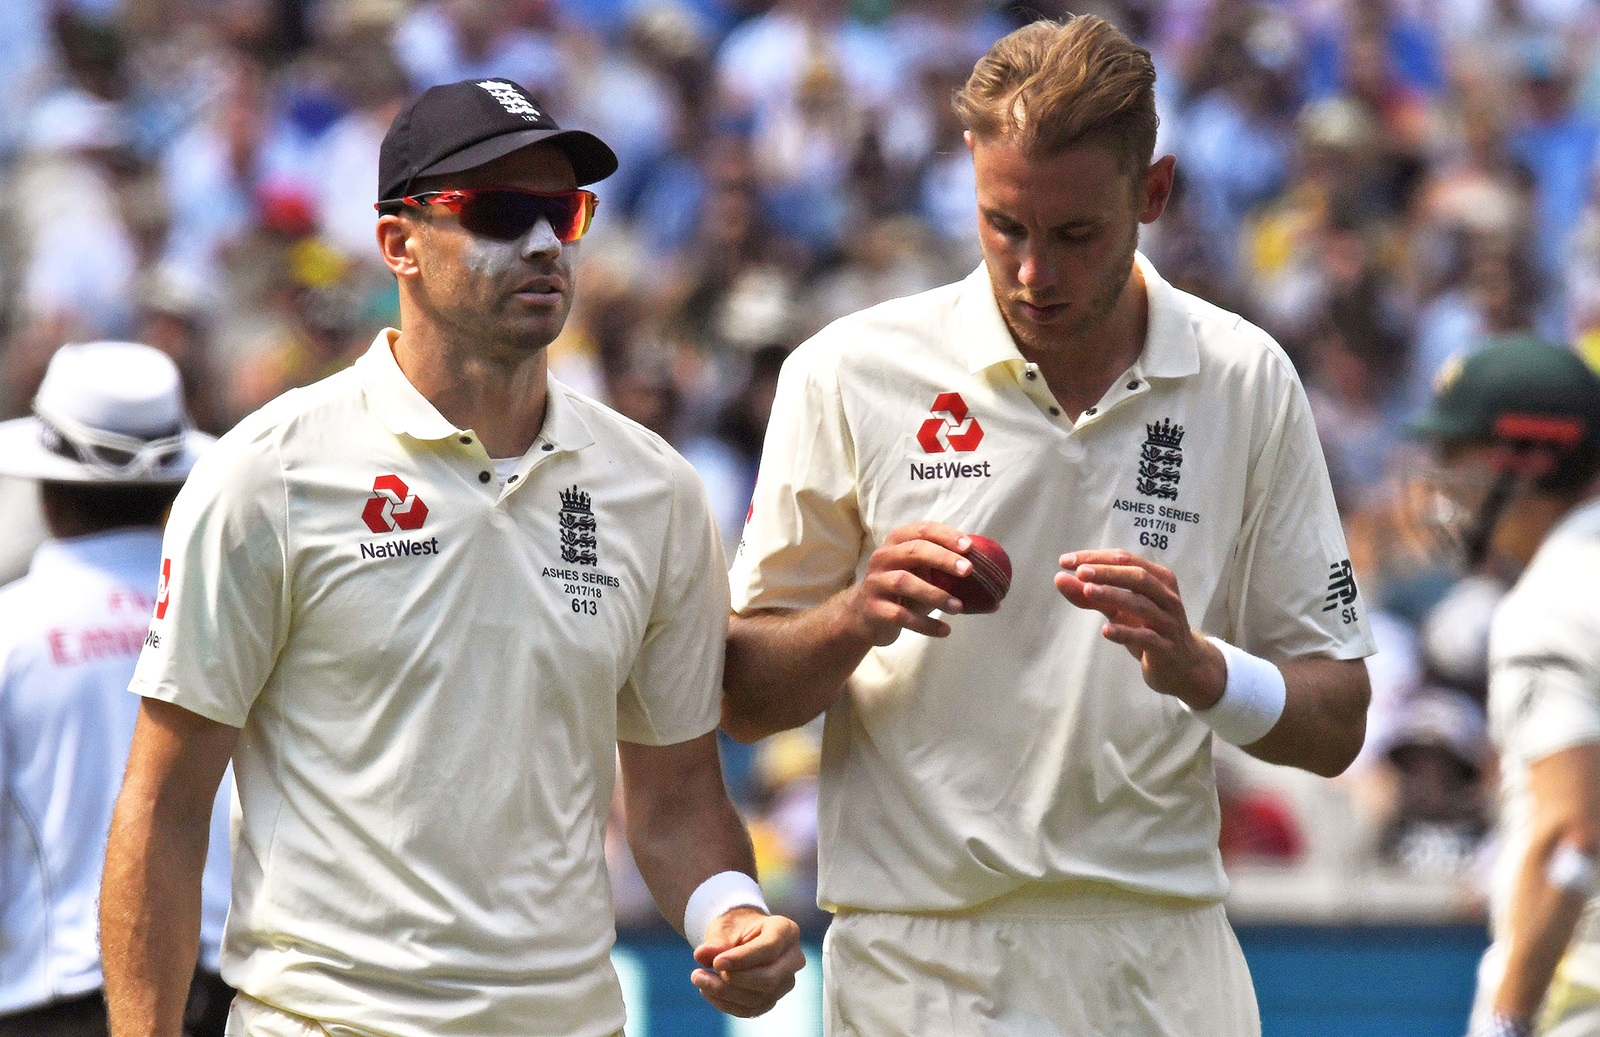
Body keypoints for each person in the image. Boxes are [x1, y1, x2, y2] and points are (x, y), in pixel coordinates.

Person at [100, 78, 804, 1037]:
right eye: (499, 214)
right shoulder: (268, 474)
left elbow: (677, 797)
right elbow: (163, 808)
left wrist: (730, 913)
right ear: (399, 244)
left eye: (562, 213)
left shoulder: (656, 488)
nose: (544, 244)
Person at [722, 16, 1375, 1035]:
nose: (1033, 272)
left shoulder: (1243, 375)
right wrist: (854, 615)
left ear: (1150, 194)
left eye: (1074, 235)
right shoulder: (847, 371)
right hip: (919, 961)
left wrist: (1206, 671)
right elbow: (742, 695)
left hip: (1165, 956)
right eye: (1002, 227)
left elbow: (1336, 720)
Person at [0, 341, 232, 1037]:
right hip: (231, 998)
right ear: (172, 482)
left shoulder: (11, 631)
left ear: (46, 484)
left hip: (59, 1002)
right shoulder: (234, 616)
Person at [1405, 336, 1600, 1037]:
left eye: (1457, 455)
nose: (1442, 480)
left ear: (1522, 456)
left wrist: (1508, 1017)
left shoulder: (1550, 602)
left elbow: (1571, 835)